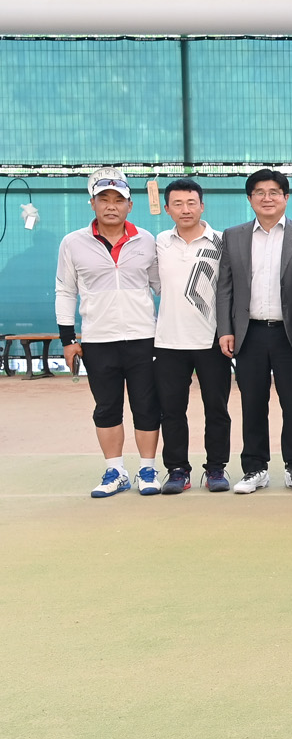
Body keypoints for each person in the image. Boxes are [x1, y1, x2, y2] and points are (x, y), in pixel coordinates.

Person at [56, 167, 162, 498]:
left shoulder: (147, 240)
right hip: (98, 340)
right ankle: (115, 471)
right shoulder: (73, 243)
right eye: (104, 199)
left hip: (144, 338)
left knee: (146, 406)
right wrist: (68, 340)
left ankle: (147, 469)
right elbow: (65, 291)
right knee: (106, 407)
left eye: (119, 199)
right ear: (92, 203)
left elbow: (161, 286)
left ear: (130, 205)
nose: (111, 206)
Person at [216, 168, 292, 494]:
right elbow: (225, 287)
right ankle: (255, 468)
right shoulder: (233, 236)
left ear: (286, 197)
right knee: (252, 403)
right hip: (249, 333)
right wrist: (225, 330)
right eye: (259, 192)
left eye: (274, 192)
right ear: (250, 199)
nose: (267, 198)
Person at [152, 177, 232, 494]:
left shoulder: (221, 242)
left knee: (217, 409)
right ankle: (177, 470)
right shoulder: (159, 243)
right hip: (168, 342)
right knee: (171, 411)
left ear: (202, 206)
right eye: (177, 204)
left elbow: (229, 289)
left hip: (212, 341)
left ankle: (216, 468)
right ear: (167, 209)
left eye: (191, 203)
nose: (185, 209)